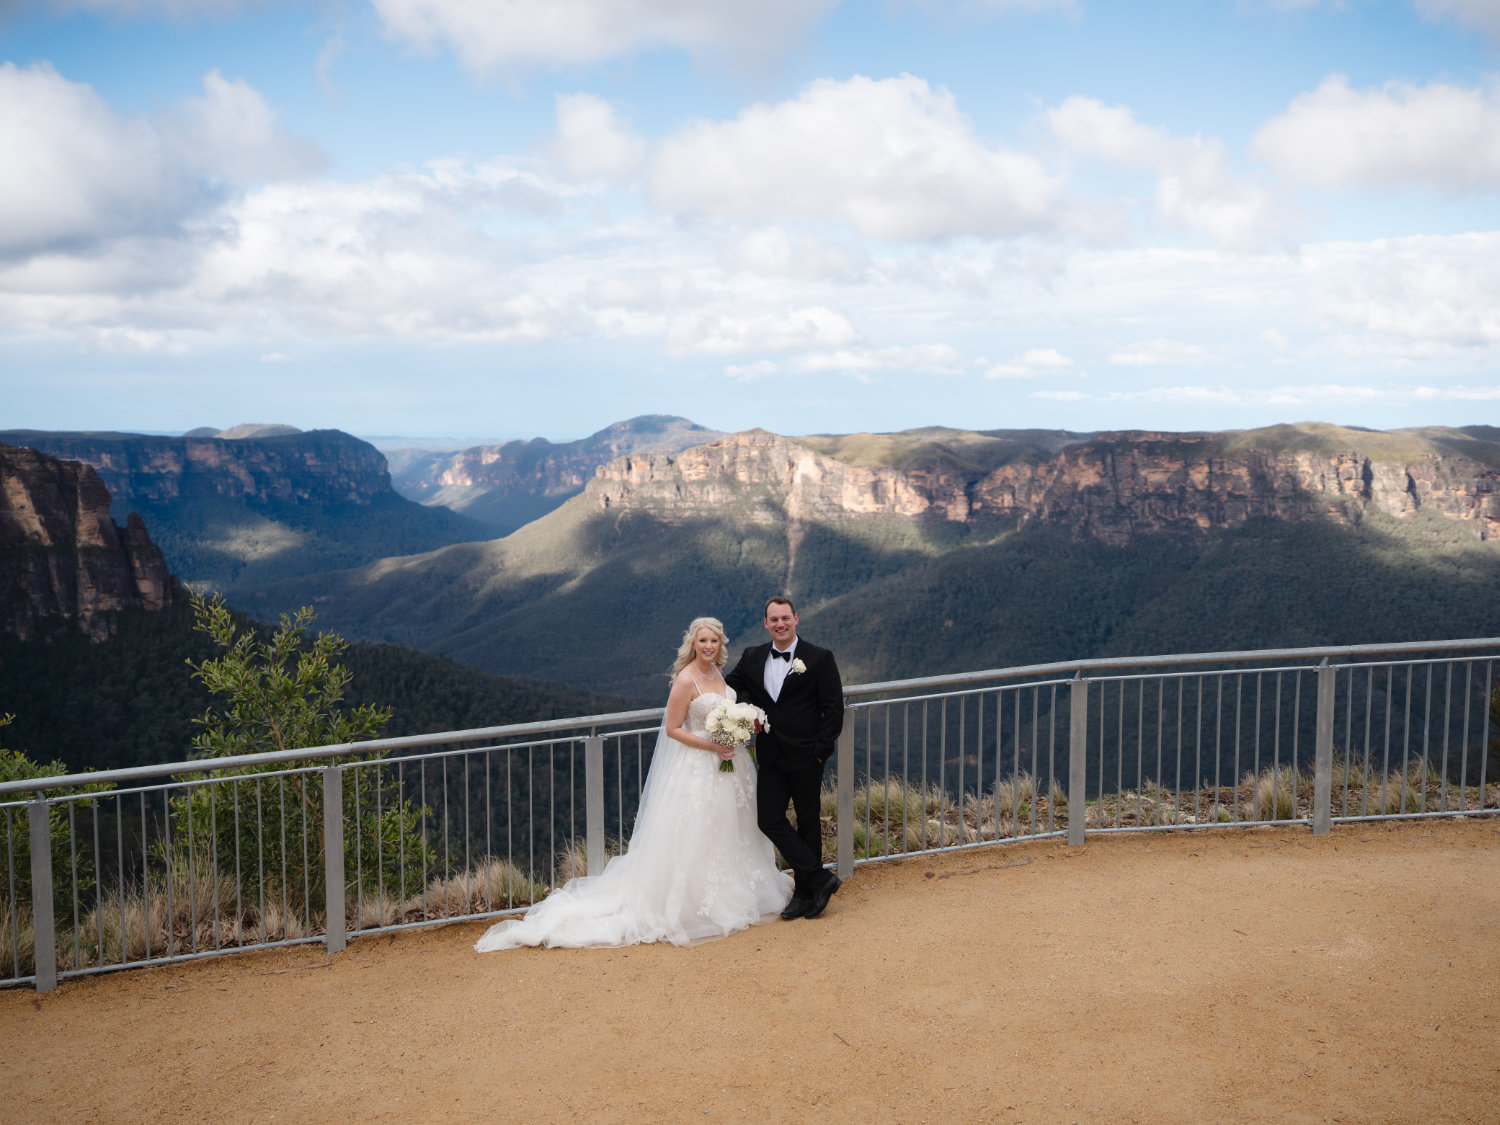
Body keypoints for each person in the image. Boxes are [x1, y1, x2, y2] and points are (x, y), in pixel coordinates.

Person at [474, 616, 792, 951]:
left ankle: (734, 891)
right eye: (703, 641)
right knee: (696, 831)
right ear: (693, 644)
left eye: (714, 641)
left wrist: (740, 728)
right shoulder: (686, 680)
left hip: (730, 766)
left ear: (721, 644)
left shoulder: (718, 675)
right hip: (698, 766)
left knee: (729, 828)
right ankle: (695, 903)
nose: (709, 647)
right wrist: (712, 745)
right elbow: (673, 729)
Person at [724, 596, 844, 921]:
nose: (780, 624)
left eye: (785, 618)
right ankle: (820, 878)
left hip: (808, 756)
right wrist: (751, 709)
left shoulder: (819, 658)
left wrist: (821, 752)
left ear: (796, 619)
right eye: (773, 619)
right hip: (771, 755)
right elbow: (731, 689)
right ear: (765, 623)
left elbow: (833, 708)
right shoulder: (751, 657)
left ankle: (807, 891)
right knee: (769, 819)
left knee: (808, 822)